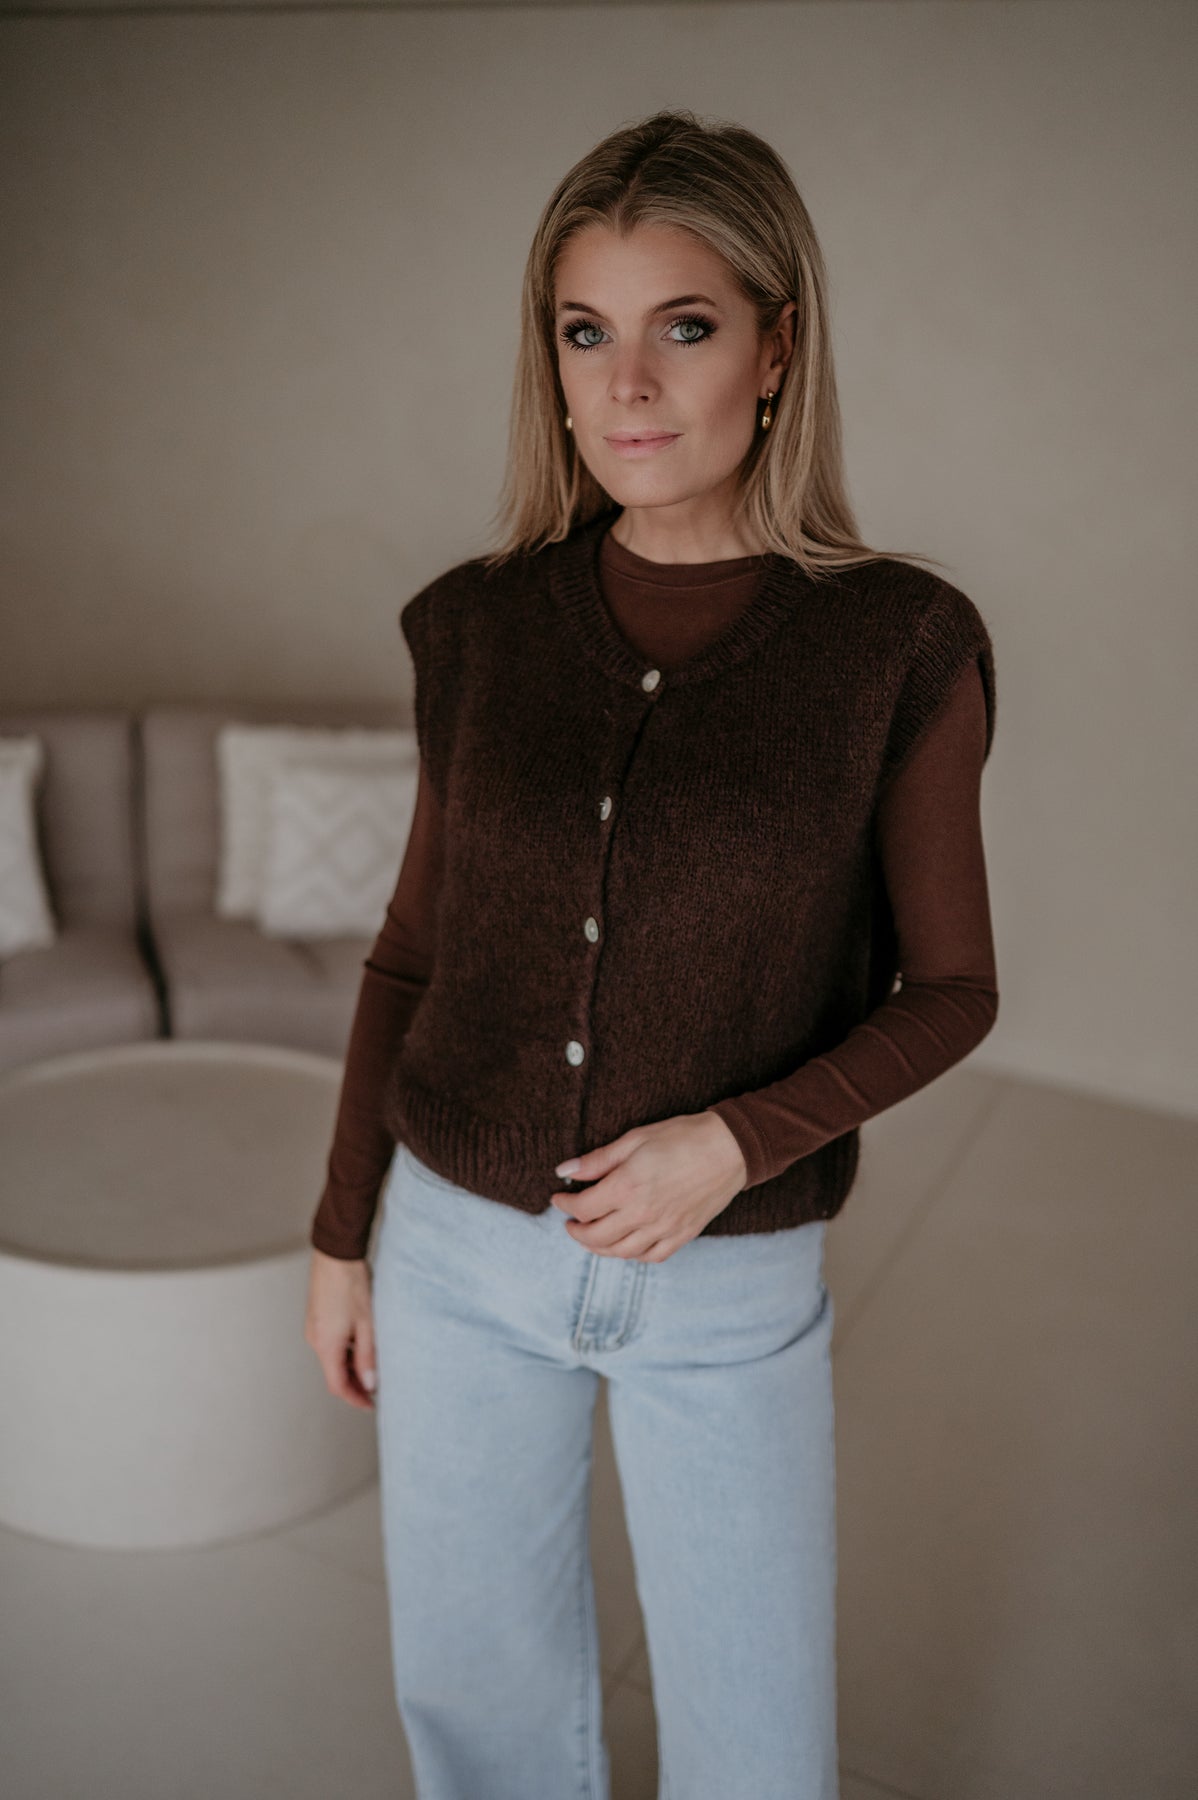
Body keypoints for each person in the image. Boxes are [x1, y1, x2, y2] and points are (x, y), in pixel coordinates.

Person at [304, 108, 998, 1800]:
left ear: (776, 347)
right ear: (546, 362)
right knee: (474, 1707)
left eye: (682, 327)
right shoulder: (474, 625)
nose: (626, 384)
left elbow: (952, 990)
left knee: (756, 1736)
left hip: (725, 1282)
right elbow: (409, 954)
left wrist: (734, 1143)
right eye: (582, 330)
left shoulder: (894, 643)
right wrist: (340, 1237)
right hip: (453, 1256)